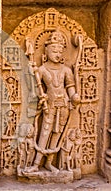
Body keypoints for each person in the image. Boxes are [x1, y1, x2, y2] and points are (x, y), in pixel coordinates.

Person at [26, 30, 80, 173]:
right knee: (45, 132)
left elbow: (70, 88)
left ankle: (49, 162)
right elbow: (36, 89)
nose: (57, 53)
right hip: (49, 105)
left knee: (58, 133)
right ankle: (36, 164)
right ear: (47, 51)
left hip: (63, 105)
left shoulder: (66, 70)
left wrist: (74, 97)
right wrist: (39, 95)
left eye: (60, 50)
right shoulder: (42, 70)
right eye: (54, 50)